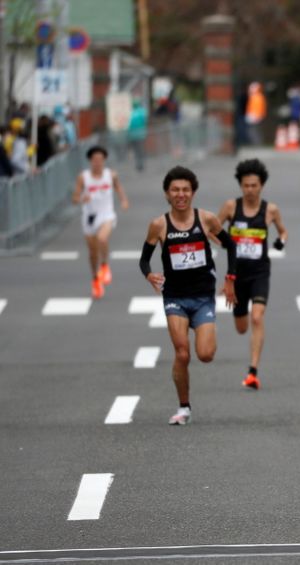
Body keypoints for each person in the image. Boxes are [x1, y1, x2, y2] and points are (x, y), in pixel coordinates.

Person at [138, 166, 238, 425]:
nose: (180, 194)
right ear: (167, 194)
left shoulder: (206, 220)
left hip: (203, 296)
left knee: (205, 355)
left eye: (185, 190)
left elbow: (231, 246)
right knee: (182, 353)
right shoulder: (159, 225)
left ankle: (204, 334)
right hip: (175, 297)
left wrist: (230, 280)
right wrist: (149, 274)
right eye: (175, 190)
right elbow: (144, 260)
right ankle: (184, 408)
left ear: (193, 193)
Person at [217, 159, 288, 390]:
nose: (250, 190)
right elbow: (213, 228)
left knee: (257, 317)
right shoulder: (230, 207)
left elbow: (284, 231)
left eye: (254, 185)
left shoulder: (271, 210)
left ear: (262, 185)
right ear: (240, 186)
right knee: (241, 327)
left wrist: (280, 242)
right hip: (236, 274)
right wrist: (226, 243)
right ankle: (240, 312)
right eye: (246, 185)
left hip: (259, 272)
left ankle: (253, 371)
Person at [71, 146, 129, 299]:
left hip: (107, 215)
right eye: (95, 160)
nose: (98, 162)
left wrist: (124, 200)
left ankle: (105, 266)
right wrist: (81, 199)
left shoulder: (111, 175)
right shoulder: (83, 177)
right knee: (92, 253)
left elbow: (118, 187)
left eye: (100, 160)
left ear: (104, 160)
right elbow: (74, 198)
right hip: (89, 217)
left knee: (102, 238)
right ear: (90, 161)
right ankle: (95, 279)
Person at [128, 99, 148, 171]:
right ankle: (141, 164)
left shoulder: (131, 113)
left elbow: (129, 125)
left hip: (133, 135)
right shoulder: (141, 112)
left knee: (136, 151)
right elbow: (144, 122)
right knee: (141, 150)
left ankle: (138, 164)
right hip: (140, 134)